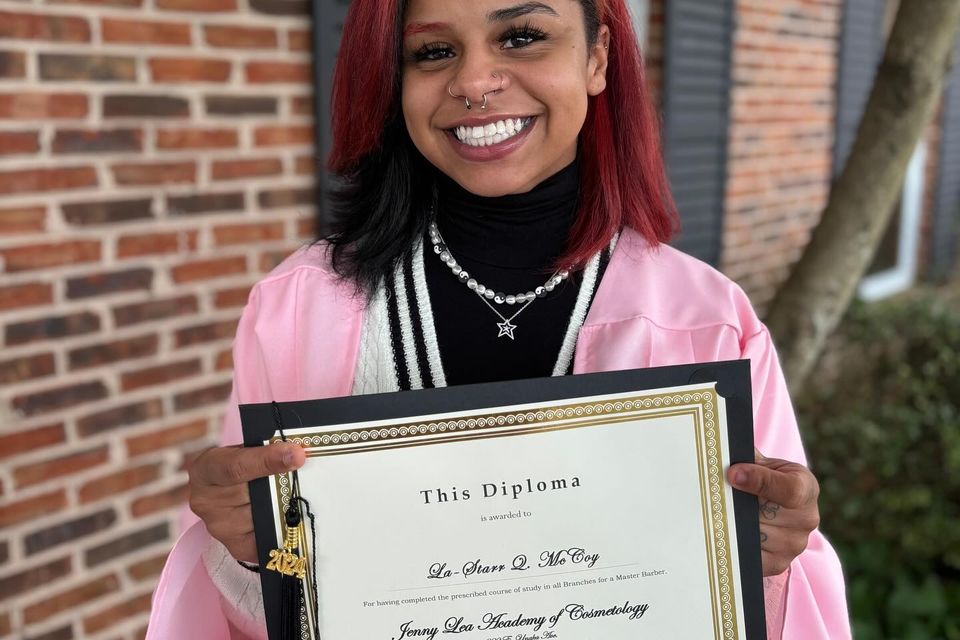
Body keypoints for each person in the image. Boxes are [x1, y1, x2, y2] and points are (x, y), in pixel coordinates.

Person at [146, 0, 851, 638]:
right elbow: (247, 605)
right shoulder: (298, 311)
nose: (475, 82)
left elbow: (770, 594)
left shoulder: (707, 320)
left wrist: (768, 559)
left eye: (521, 37)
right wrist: (243, 544)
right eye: (432, 52)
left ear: (598, 58)